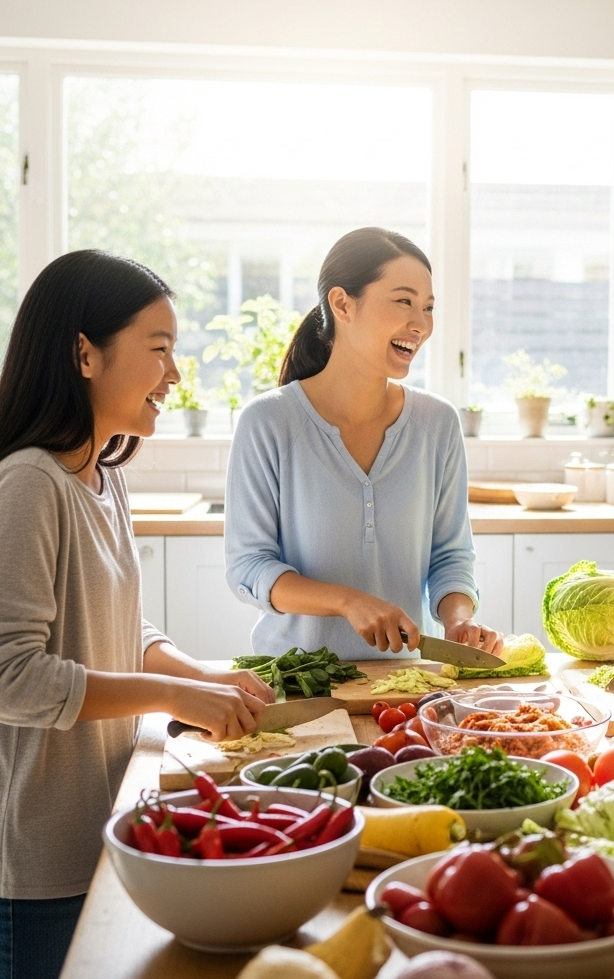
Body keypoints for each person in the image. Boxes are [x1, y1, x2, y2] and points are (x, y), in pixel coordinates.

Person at [0, 250, 275, 979]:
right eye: (160, 351)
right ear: (85, 354)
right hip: (38, 864)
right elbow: (14, 678)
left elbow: (122, 631)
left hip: (105, 821)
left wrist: (204, 680)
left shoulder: (101, 474)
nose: (176, 376)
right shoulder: (29, 485)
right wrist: (176, 696)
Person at [225, 227, 501, 660]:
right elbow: (250, 567)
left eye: (428, 307)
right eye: (404, 301)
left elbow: (450, 555)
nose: (421, 324)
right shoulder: (269, 421)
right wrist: (347, 601)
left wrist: (458, 619)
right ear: (341, 304)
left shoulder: (437, 423)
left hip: (405, 683)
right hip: (299, 680)